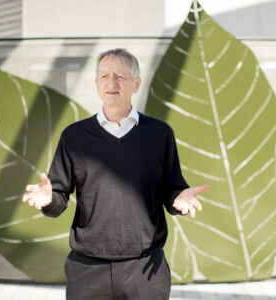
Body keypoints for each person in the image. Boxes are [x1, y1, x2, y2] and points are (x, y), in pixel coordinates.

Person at [22, 48, 209, 300]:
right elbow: (58, 200)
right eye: (104, 76)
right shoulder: (74, 136)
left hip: (145, 270)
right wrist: (48, 199)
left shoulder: (159, 134)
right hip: (87, 270)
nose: (112, 82)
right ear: (97, 84)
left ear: (136, 84)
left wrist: (180, 199)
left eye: (120, 76)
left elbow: (171, 191)